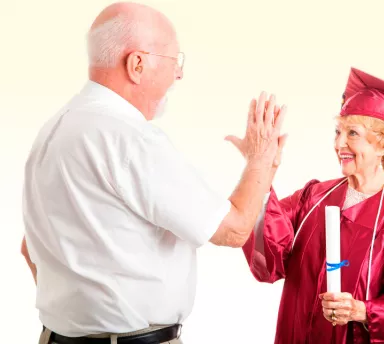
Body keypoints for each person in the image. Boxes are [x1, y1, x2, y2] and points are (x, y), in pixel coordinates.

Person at [20, 2, 288, 344]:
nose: (179, 74)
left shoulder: (53, 130)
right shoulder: (130, 139)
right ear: (137, 64)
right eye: (174, 61)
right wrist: (260, 160)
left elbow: (31, 249)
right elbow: (234, 230)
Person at [235, 67, 384, 343]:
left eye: (352, 133)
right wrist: (263, 169)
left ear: (382, 145)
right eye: (338, 131)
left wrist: (362, 310)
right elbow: (268, 258)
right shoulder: (313, 197)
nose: (339, 143)